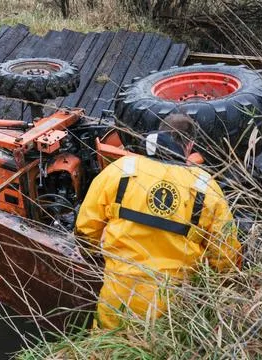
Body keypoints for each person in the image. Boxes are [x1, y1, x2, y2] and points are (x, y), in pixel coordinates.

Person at [75, 113, 242, 329]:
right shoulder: (205, 187)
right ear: (190, 146)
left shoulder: (122, 170)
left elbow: (85, 230)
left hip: (118, 297)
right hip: (172, 308)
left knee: (106, 348)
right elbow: (226, 255)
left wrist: (97, 258)